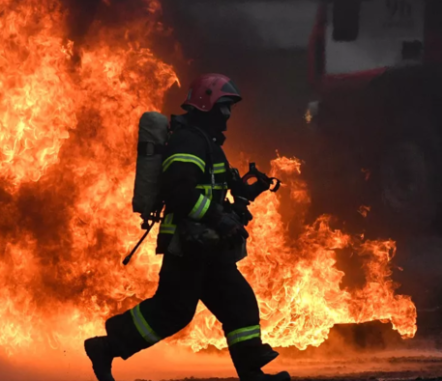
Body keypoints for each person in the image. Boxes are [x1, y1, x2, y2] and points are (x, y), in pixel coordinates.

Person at [84, 74, 290, 381]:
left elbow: (211, 188)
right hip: (188, 244)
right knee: (173, 311)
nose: (228, 114)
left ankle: (252, 373)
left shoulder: (207, 143)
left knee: (238, 303)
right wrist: (219, 218)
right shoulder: (189, 141)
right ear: (206, 104)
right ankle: (106, 347)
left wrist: (242, 195)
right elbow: (180, 192)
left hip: (208, 247)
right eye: (223, 106)